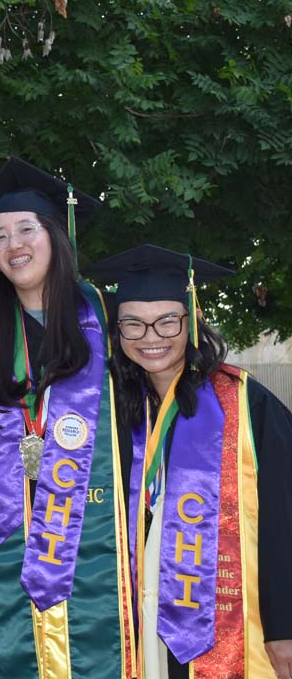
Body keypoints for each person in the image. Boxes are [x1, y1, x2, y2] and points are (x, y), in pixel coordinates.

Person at [82, 244, 292, 679]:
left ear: (191, 320)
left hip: (226, 612)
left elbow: (283, 520)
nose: (151, 337)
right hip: (135, 614)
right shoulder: (114, 409)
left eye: (167, 321)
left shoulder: (247, 404)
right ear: (117, 332)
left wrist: (284, 625)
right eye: (133, 324)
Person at [0, 158, 134, 679]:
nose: (14, 244)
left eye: (27, 229)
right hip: (5, 543)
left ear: (56, 237)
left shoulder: (108, 323)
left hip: (99, 534)